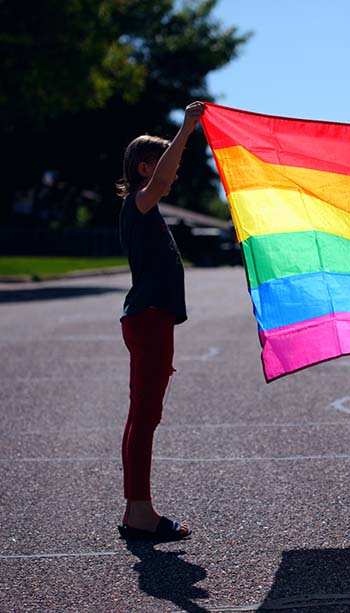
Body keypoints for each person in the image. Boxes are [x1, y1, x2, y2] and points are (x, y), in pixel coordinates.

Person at [115, 101, 206, 541]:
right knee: (145, 416)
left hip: (151, 320)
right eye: (165, 161)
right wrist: (187, 128)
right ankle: (140, 514)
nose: (174, 173)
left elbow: (168, 174)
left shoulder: (146, 209)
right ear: (145, 166)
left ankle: (138, 509)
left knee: (142, 415)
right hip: (149, 320)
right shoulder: (140, 201)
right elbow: (166, 175)